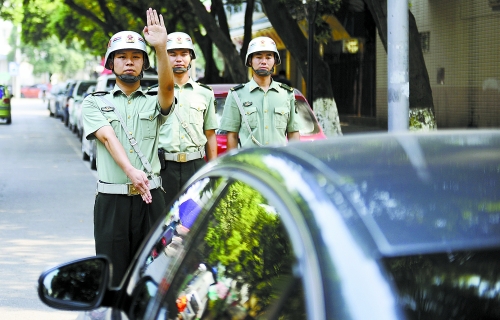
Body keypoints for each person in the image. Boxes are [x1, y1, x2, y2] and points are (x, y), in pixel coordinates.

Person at [81, 8, 175, 287]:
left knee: (153, 274)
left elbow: (168, 90)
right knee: (114, 277)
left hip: (151, 199)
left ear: (144, 63)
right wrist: (131, 171)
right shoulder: (94, 102)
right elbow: (108, 138)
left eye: (136, 57)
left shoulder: (153, 101)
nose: (129, 62)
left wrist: (161, 48)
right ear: (112, 63)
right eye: (122, 57)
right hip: (112, 202)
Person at [157, 32, 217, 207]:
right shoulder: (154, 93)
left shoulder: (205, 93)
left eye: (183, 53)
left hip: (195, 166)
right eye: (172, 54)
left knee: (193, 222)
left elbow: (210, 134)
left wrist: (212, 172)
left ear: (191, 57)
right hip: (164, 168)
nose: (178, 59)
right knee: (163, 223)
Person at [219, 36, 301, 150]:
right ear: (250, 61)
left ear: (275, 61)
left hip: (278, 163)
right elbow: (232, 136)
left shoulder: (287, 94)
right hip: (249, 163)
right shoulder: (236, 95)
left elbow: (293, 134)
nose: (263, 61)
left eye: (268, 57)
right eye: (258, 57)